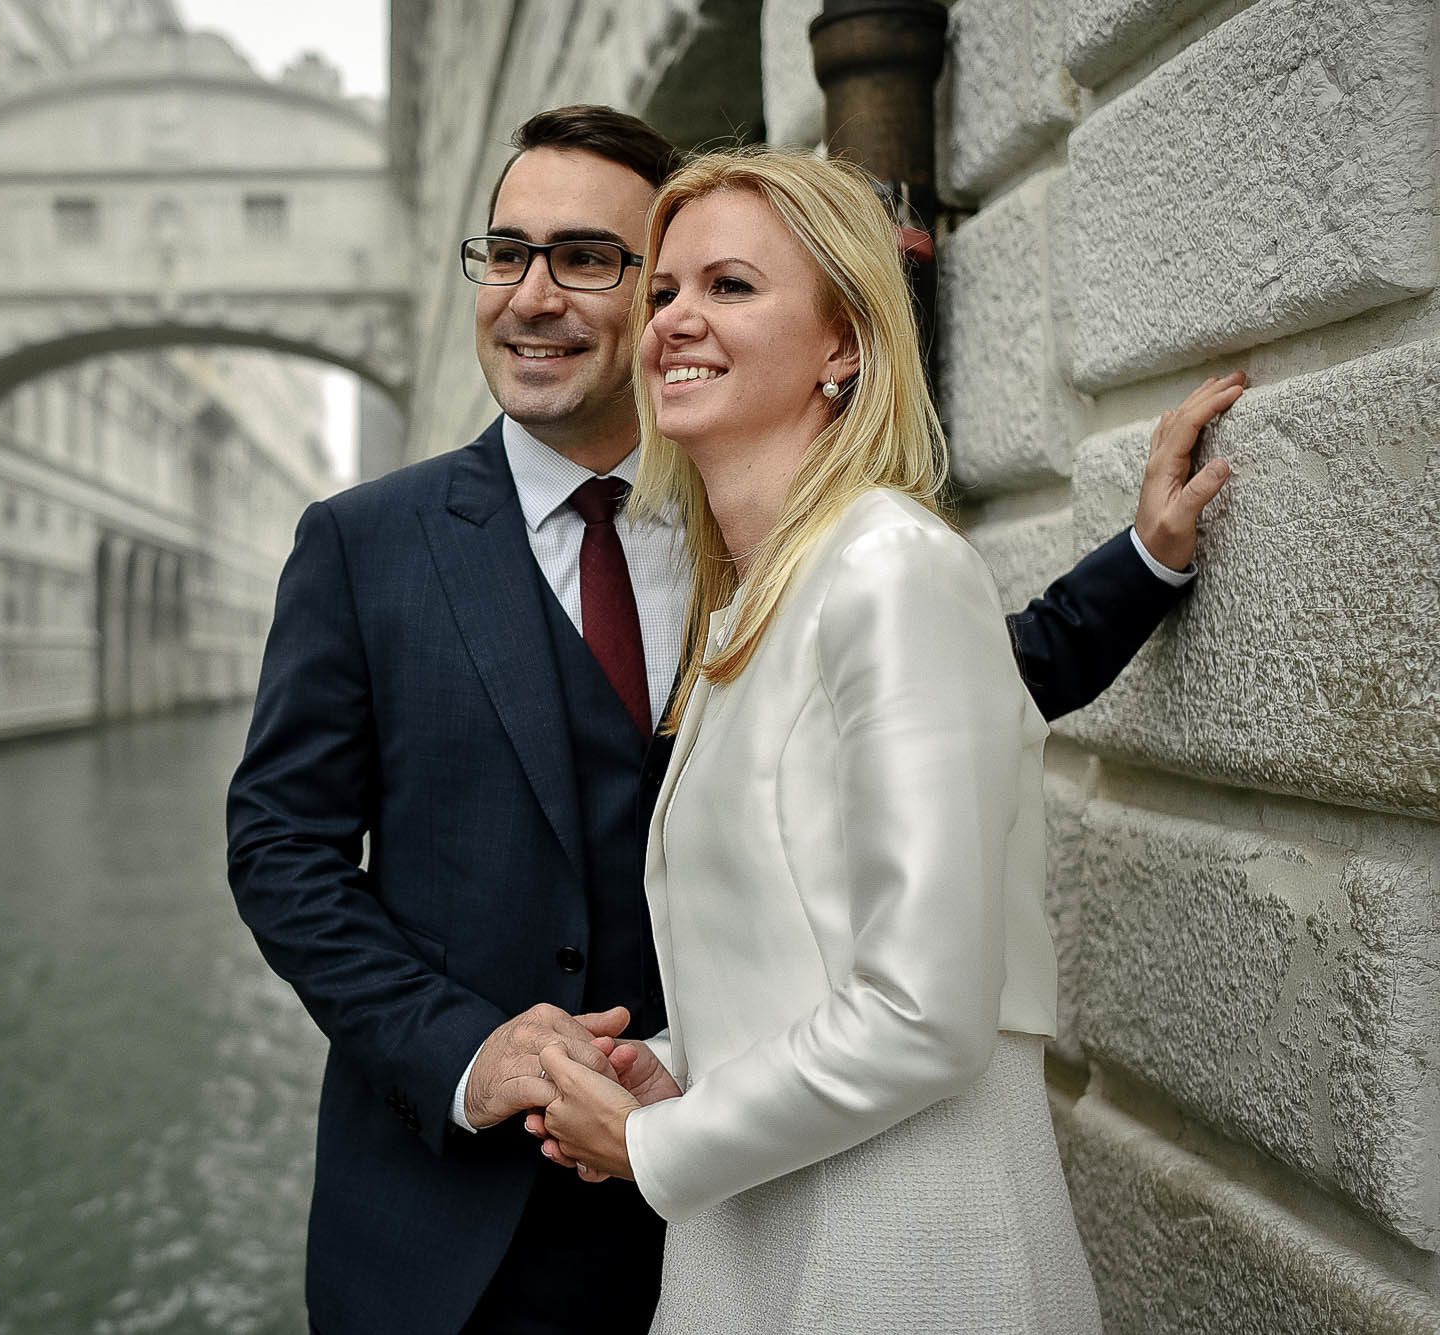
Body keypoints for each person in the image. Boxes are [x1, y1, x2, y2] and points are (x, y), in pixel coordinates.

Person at [227, 106, 1235, 1335]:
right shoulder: (360, 543)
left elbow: (944, 696)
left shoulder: (764, 540)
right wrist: (463, 1052)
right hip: (453, 1235)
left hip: (742, 1195)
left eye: (591, 259)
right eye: (506, 252)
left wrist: (1140, 567)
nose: (533, 295)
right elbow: (281, 851)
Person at [532, 149, 1241, 1331]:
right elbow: (793, 961)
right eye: (662, 292)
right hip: (757, 1226)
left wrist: (656, 1142)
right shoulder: (754, 601)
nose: (673, 321)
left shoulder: (888, 569)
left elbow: (923, 1011)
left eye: (729, 287)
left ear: (843, 347)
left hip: (899, 1240)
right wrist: (675, 1064)